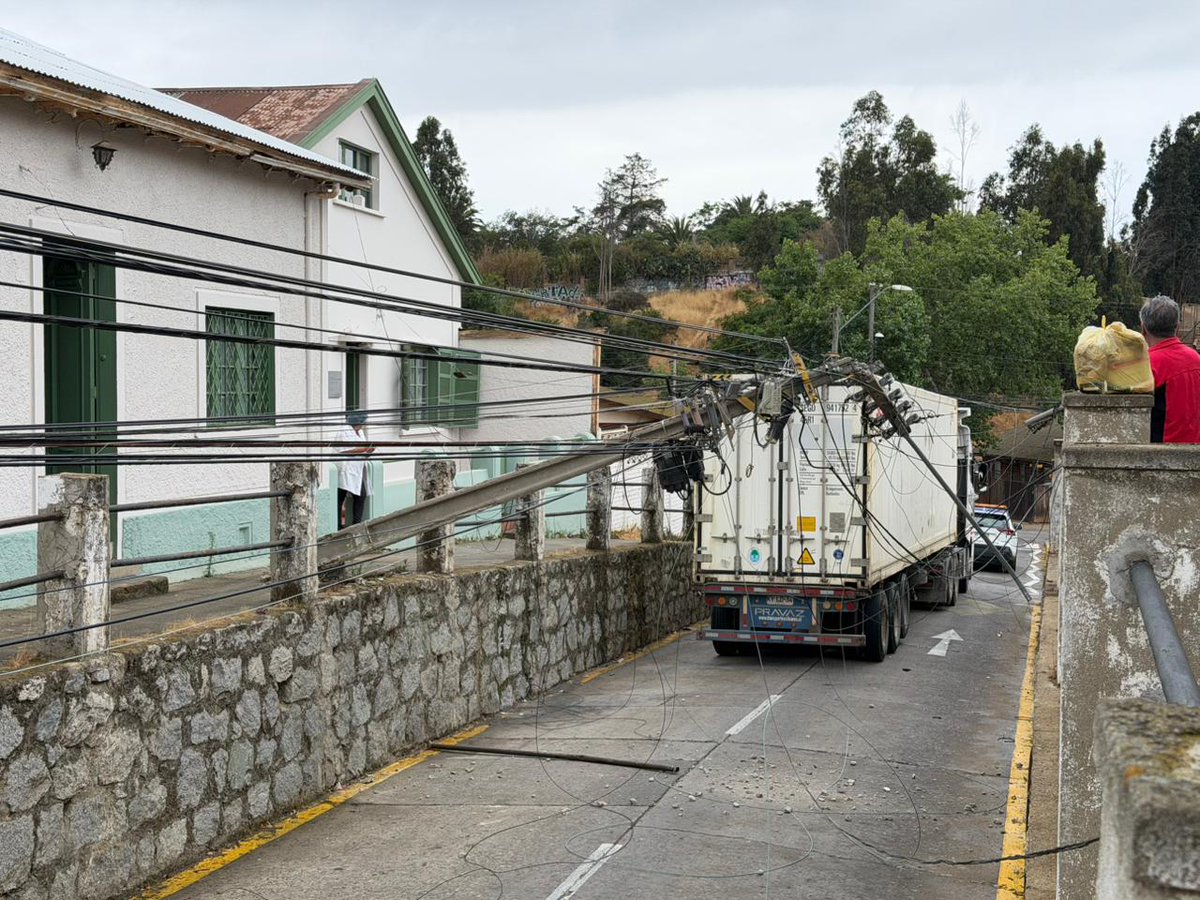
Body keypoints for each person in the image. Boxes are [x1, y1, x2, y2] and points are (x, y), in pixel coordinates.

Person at [1140, 294, 1200, 443]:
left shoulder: (1145, 365)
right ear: (1177, 328)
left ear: (1143, 329)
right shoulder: (1197, 360)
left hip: (1162, 456)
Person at [335, 411, 374, 526]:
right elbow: (346, 450)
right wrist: (365, 450)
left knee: (361, 495)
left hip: (358, 471)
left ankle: (356, 525)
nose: (362, 425)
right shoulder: (344, 431)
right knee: (340, 498)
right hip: (344, 469)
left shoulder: (361, 432)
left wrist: (368, 451)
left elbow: (364, 448)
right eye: (361, 423)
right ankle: (338, 526)